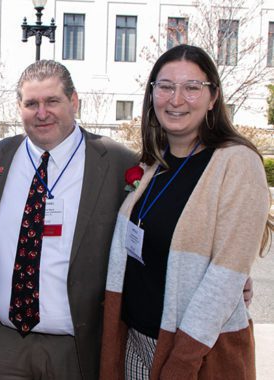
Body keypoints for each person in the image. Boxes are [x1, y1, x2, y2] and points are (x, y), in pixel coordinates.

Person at [99, 44, 273, 380]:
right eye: (165, 86)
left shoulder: (237, 163)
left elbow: (224, 279)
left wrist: (181, 364)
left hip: (196, 354)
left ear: (213, 97)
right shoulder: (154, 163)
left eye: (192, 87)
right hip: (136, 342)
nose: (176, 99)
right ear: (152, 95)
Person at [0, 60, 137, 380]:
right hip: (4, 342)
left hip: (76, 347)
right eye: (31, 103)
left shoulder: (118, 163)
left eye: (52, 101)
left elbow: (151, 228)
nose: (42, 113)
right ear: (19, 107)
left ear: (74, 102)